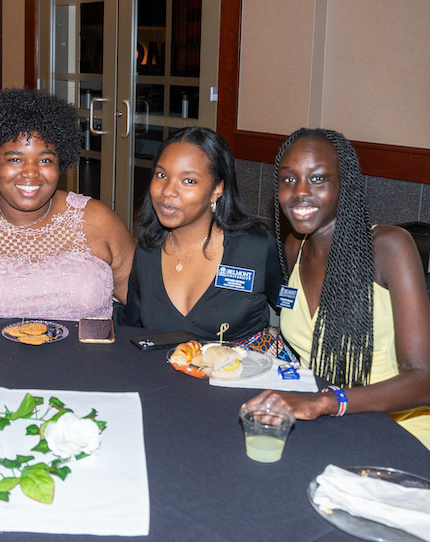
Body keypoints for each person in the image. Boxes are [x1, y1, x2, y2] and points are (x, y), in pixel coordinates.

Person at [249, 129, 430, 447]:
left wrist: (325, 402)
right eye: (289, 180)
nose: (300, 192)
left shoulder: (387, 247)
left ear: (344, 186)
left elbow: (423, 379)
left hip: (400, 436)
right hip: (328, 428)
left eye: (318, 179)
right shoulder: (294, 247)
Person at [0, 88, 136, 320]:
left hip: (91, 356)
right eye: (15, 159)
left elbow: (142, 304)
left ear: (59, 164)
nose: (31, 172)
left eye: (45, 160)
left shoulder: (98, 221)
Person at [121, 128, 286, 348]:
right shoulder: (148, 249)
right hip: (161, 379)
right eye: (161, 175)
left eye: (188, 181)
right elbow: (131, 327)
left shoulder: (255, 248)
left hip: (238, 379)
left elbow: (295, 313)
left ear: (217, 189)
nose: (168, 191)